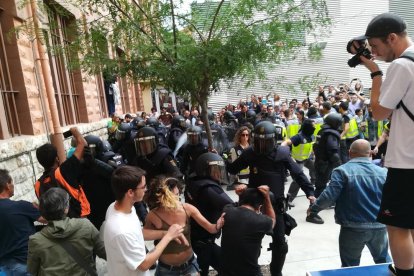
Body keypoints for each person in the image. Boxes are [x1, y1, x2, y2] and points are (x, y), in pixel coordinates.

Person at [359, 12, 414, 276]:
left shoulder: (403, 65)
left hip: (407, 161)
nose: (376, 53)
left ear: (392, 38)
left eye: (377, 47)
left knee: (397, 225)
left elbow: (379, 112)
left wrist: (375, 73)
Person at [227, 120, 315, 276]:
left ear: (273, 139)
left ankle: (276, 273)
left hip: (275, 205)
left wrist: (310, 192)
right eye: (259, 141)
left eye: (265, 141)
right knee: (250, 241)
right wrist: (219, 159)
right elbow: (233, 168)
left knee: (280, 244)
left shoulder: (282, 154)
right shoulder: (250, 153)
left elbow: (298, 174)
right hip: (253, 205)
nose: (261, 144)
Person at [307, 140, 391, 267]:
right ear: (370, 154)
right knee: (385, 264)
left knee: (350, 267)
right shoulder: (383, 172)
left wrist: (314, 209)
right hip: (379, 227)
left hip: (352, 228)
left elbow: (329, 196)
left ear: (349, 153)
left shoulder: (342, 171)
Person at [102, 166, 186, 276]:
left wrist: (166, 233)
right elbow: (144, 264)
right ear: (130, 193)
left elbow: (137, 234)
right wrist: (168, 237)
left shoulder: (117, 207)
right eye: (143, 187)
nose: (146, 189)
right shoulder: (121, 231)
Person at [144, 176, 225, 275]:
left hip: (190, 265)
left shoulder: (187, 209)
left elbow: (211, 229)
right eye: (174, 196)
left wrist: (218, 225)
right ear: (163, 198)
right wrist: (166, 234)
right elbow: (144, 235)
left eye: (178, 194)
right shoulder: (153, 215)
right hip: (167, 269)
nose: (178, 199)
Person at [27, 188, 106, 275]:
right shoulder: (85, 225)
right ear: (66, 209)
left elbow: (32, 271)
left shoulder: (36, 241)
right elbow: (104, 252)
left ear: (42, 212)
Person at [186, 153, 234, 276]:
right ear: (204, 170)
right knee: (229, 269)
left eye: (219, 170)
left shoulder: (193, 181)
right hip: (204, 240)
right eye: (215, 170)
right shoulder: (209, 188)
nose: (218, 174)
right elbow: (230, 205)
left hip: (197, 236)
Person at [35, 127, 90, 218]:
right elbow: (83, 144)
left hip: (58, 226)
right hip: (78, 219)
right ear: (57, 158)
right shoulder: (64, 170)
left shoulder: (37, 185)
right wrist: (74, 131)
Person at [221, 186, 275, 276]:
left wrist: (241, 195)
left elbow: (238, 208)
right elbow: (272, 220)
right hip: (250, 272)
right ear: (260, 207)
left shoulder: (227, 211)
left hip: (226, 270)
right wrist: (267, 198)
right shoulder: (261, 221)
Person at [0, 169, 43, 275]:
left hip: (4, 267)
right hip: (25, 265)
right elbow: (48, 218)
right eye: (12, 182)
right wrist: (39, 208)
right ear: (7, 185)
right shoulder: (21, 206)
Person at [281, 119, 316, 207]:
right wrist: (281, 149)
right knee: (298, 179)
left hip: (307, 159)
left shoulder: (311, 136)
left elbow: (311, 146)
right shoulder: (299, 136)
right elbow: (287, 142)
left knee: (316, 168)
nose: (315, 127)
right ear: (308, 127)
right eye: (313, 125)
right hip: (297, 160)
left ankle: (314, 186)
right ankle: (289, 199)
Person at [311, 113, 342, 202]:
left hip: (319, 160)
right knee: (321, 185)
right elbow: (333, 152)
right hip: (325, 163)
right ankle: (315, 204)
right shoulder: (331, 134)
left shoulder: (322, 131)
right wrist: (339, 165)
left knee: (321, 183)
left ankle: (322, 200)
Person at [227, 126, 251, 191]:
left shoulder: (252, 148)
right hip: (241, 180)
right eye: (243, 135)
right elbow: (233, 166)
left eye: (247, 135)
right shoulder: (234, 149)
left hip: (252, 178)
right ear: (239, 136)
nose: (245, 137)